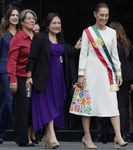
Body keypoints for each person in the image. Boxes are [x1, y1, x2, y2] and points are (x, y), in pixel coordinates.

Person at [69, 2, 128, 149]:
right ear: (95, 14)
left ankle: (118, 136)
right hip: (90, 73)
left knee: (112, 104)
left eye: (106, 15)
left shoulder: (112, 33)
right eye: (101, 15)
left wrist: (118, 73)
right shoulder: (88, 31)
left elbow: (115, 55)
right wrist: (80, 75)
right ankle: (87, 137)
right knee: (87, 106)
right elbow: (83, 54)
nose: (104, 18)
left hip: (108, 74)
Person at [26, 13, 81, 149]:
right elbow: (32, 58)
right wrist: (29, 76)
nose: (57, 26)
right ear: (47, 24)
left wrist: (75, 48)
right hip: (44, 78)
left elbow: (63, 57)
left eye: (59, 23)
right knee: (48, 106)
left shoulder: (60, 39)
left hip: (58, 78)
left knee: (55, 106)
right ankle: (52, 136)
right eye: (54, 23)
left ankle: (45, 138)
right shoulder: (40, 38)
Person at [7, 9, 37, 147]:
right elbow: (12, 60)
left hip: (34, 77)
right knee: (22, 108)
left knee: (32, 108)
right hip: (20, 76)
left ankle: (32, 135)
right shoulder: (18, 38)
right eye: (29, 18)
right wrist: (13, 79)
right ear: (22, 22)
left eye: (34, 19)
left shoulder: (37, 36)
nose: (32, 21)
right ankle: (22, 138)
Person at [109, 21, 133, 141]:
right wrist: (132, 81)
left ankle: (104, 134)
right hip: (126, 77)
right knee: (122, 105)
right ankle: (124, 133)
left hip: (111, 76)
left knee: (109, 104)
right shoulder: (127, 44)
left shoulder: (109, 43)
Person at [0, 6, 20, 144]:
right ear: (8, 17)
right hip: (4, 70)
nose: (15, 17)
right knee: (11, 99)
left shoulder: (21, 32)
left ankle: (0, 133)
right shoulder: (2, 33)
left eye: (17, 15)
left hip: (18, 70)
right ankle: (20, 133)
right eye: (12, 15)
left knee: (6, 103)